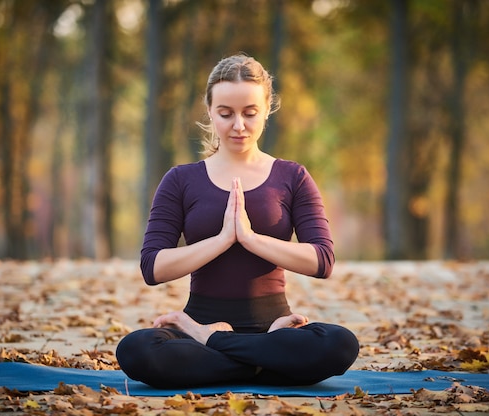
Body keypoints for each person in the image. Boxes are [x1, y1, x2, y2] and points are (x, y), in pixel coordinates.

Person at [116, 54, 359, 388]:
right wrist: (222, 239)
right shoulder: (180, 180)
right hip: (203, 325)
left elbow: (322, 260)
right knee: (136, 350)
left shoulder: (293, 176)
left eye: (250, 113)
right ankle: (264, 364)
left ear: (267, 108)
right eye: (226, 114)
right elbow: (153, 267)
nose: (239, 125)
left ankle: (219, 347)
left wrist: (251, 238)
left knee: (341, 344)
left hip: (275, 331)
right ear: (209, 110)